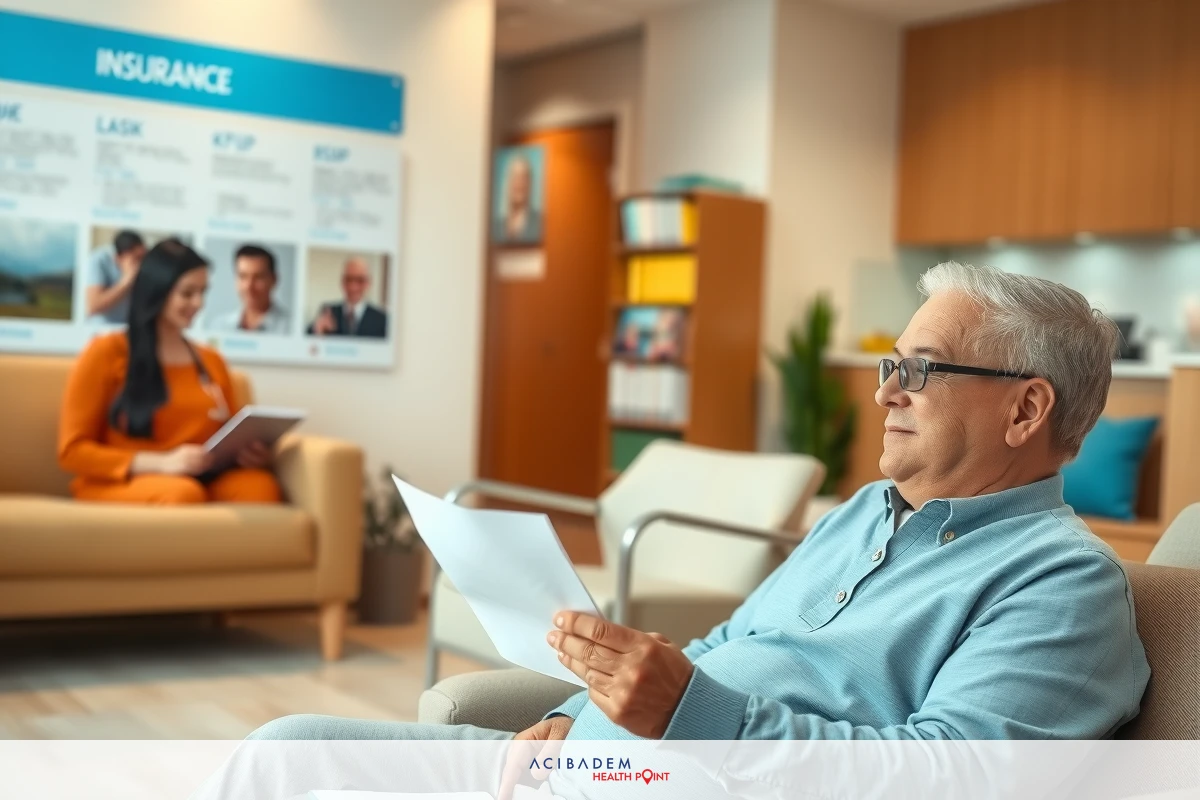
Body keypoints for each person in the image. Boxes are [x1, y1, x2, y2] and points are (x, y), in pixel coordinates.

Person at [222, 263, 1150, 793]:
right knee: (284, 753)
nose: (886, 392)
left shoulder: (1059, 581)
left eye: (923, 369)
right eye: (889, 365)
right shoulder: (861, 516)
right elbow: (727, 643)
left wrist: (693, 717)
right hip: (585, 767)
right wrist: (567, 715)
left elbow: (949, 781)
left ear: (1027, 410)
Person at [58, 238, 281, 505]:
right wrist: (162, 463)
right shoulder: (106, 353)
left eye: (202, 292)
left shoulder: (212, 361)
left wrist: (250, 454)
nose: (198, 303)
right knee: (181, 494)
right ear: (157, 292)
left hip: (199, 479)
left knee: (261, 489)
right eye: (187, 293)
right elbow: (72, 451)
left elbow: (229, 433)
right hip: (126, 480)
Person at [208, 244, 291, 333]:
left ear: (274, 280)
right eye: (243, 276)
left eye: (258, 277)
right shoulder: (219, 327)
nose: (249, 286)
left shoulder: (290, 326)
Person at [306, 257, 388, 338]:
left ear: (368, 283)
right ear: (342, 282)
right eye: (349, 279)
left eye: (360, 280)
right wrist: (317, 331)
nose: (353, 287)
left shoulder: (381, 319)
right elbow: (306, 339)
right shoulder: (329, 312)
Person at [85, 229, 145, 324]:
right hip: (102, 330)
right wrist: (127, 280)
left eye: (143, 258)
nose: (141, 265)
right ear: (118, 259)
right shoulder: (98, 260)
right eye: (136, 259)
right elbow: (94, 306)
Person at [494, 153, 542, 243]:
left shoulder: (540, 222)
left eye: (523, 178)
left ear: (530, 184)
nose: (519, 183)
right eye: (515, 177)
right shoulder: (496, 226)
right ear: (508, 183)